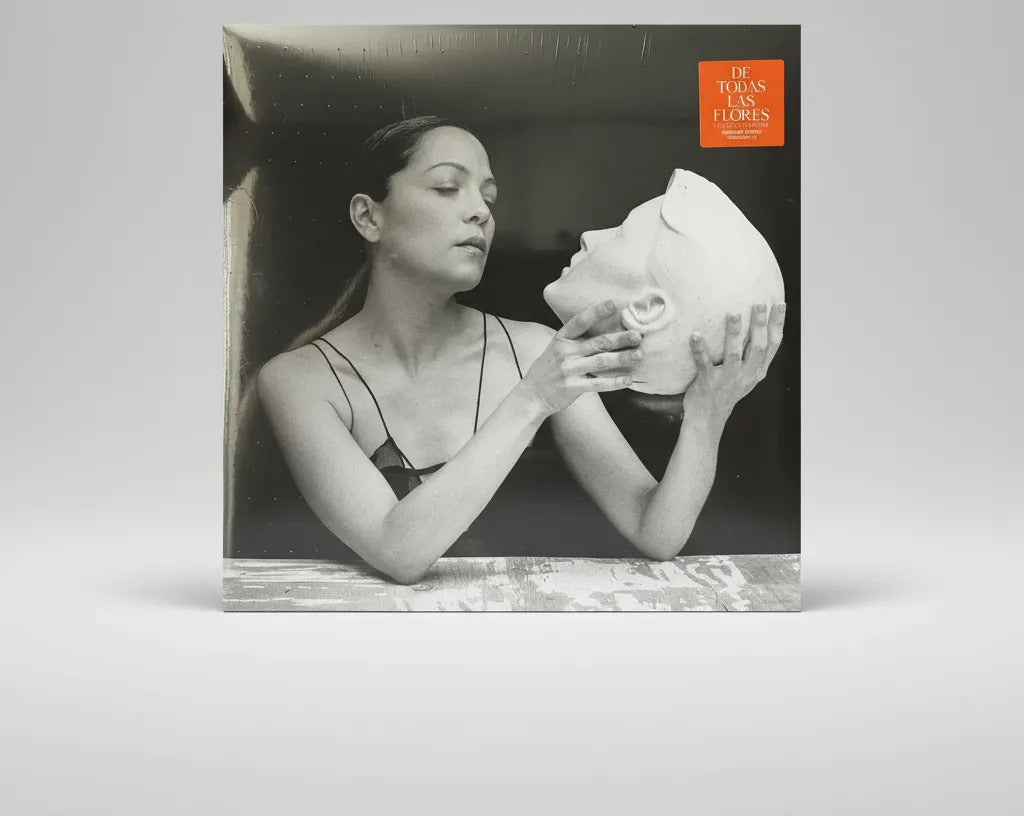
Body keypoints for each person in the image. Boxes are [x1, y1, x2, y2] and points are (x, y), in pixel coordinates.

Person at [256, 116, 785, 584]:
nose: (480, 213)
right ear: (369, 217)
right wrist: (533, 398)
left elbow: (656, 531)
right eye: (447, 187)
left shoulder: (534, 350)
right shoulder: (298, 381)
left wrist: (706, 418)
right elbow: (398, 551)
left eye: (488, 198)